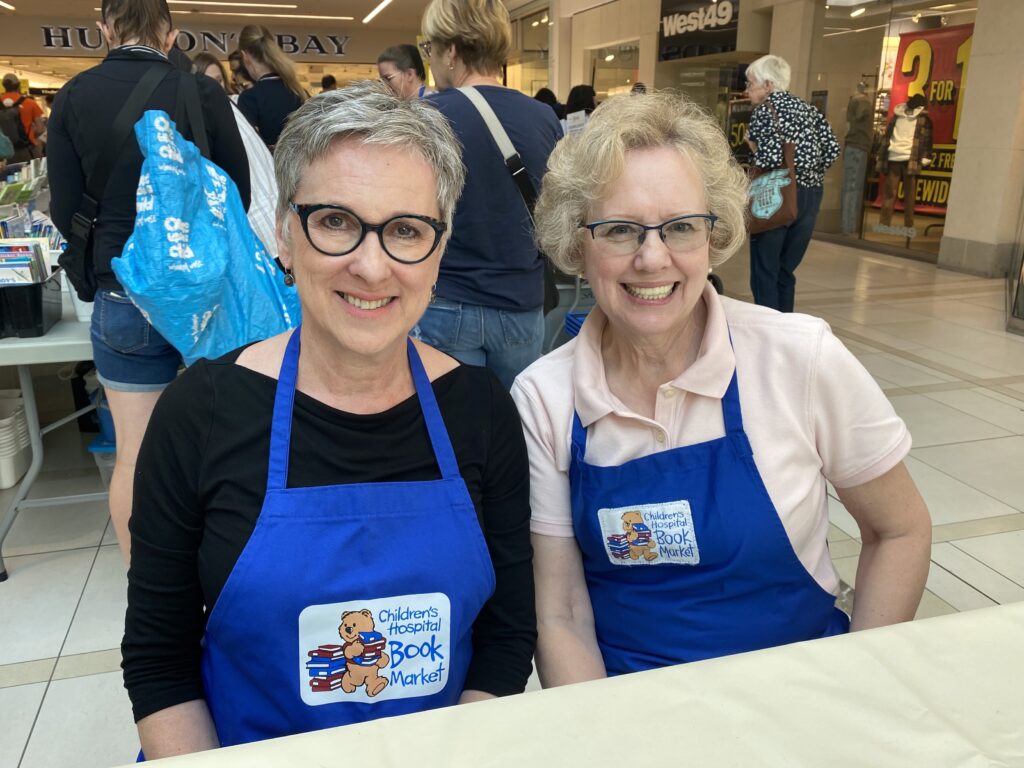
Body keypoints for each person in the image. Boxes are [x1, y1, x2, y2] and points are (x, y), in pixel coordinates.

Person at [122, 80, 535, 757]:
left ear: (440, 250)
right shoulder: (201, 412)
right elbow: (159, 659)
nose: (371, 266)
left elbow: (508, 634)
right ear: (286, 232)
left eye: (405, 230)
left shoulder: (482, 409)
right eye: (336, 221)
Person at [511, 90, 931, 687]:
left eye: (681, 227)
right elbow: (561, 612)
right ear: (578, 245)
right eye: (620, 230)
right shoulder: (543, 398)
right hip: (632, 710)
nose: (652, 258)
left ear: (715, 234)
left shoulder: (799, 358)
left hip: (802, 690)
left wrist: (860, 683)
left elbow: (900, 530)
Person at [47, 0, 250, 564]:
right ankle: (227, 567)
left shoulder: (73, 96)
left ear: (103, 29)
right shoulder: (201, 93)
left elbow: (66, 210)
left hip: (123, 292)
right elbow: (238, 196)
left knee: (135, 452)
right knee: (225, 443)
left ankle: (148, 584)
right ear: (171, 34)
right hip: (205, 294)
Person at [416, 0, 562, 389]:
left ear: (451, 51)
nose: (430, 59)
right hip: (521, 301)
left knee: (455, 424)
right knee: (520, 421)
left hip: (448, 297)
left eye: (430, 48)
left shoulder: (428, 117)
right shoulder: (543, 117)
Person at [745, 54, 839, 312]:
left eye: (750, 83)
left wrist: (751, 144)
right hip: (810, 195)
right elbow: (831, 150)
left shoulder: (765, 111)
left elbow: (769, 158)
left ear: (767, 84)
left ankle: (768, 330)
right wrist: (807, 170)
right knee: (786, 270)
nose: (747, 90)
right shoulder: (809, 109)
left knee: (765, 270)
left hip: (776, 195)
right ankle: (786, 328)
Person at [195, 51, 279, 259]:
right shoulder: (205, 120)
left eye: (218, 80)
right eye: (209, 81)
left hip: (270, 208)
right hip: (250, 222)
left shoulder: (236, 104)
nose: (215, 87)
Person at [236, 24, 307, 149]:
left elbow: (252, 149)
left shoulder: (249, 98)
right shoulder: (298, 91)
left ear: (245, 56)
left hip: (269, 166)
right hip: (299, 165)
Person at [878, 93, 933, 231]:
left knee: (901, 194)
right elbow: (927, 141)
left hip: (905, 157)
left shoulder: (921, 119)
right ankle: (895, 224)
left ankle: (902, 224)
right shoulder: (901, 117)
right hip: (899, 157)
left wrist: (926, 156)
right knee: (901, 193)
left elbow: (927, 141)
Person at [841, 82, 872, 236]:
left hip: (854, 146)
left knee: (851, 187)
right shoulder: (862, 101)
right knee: (853, 188)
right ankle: (849, 227)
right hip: (858, 146)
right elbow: (860, 116)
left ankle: (849, 226)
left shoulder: (854, 100)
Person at [1, 73, 45, 162]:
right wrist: (32, 135)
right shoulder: (30, 103)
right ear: (18, 85)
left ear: (4, 86)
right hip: (26, 149)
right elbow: (40, 129)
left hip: (2, 152)